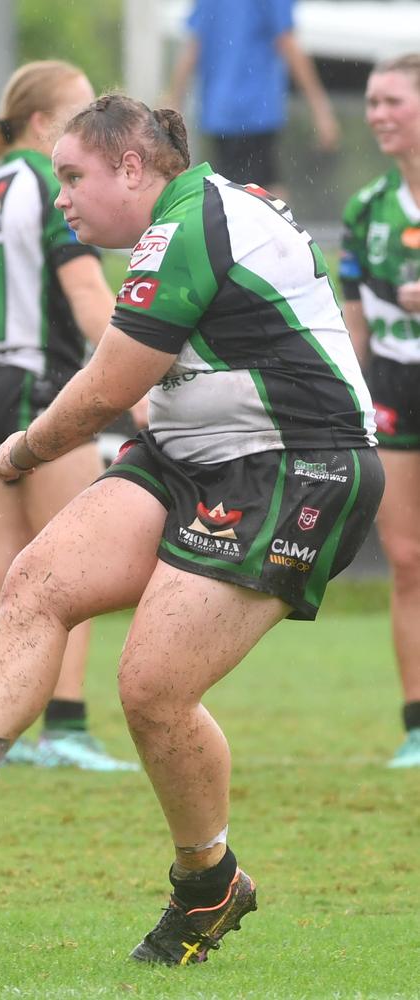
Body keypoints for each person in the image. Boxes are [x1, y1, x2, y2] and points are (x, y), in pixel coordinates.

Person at [0, 95, 383, 967]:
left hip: (294, 465)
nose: (62, 199)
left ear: (134, 167)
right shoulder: (191, 216)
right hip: (191, 451)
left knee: (151, 687)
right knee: (38, 580)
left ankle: (208, 887)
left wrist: (23, 446)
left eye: (74, 176)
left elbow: (103, 385)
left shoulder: (188, 222)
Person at [0, 60, 138, 772]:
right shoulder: (53, 186)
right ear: (41, 124)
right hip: (41, 382)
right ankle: (64, 729)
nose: (95, 126)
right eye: (82, 112)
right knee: (72, 566)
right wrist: (143, 372)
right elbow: (87, 293)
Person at [339, 53, 420, 769]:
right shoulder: (367, 209)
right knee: (405, 559)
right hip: (396, 385)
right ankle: (418, 725)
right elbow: (354, 325)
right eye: (370, 102)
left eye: (393, 100)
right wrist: (347, 396)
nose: (378, 115)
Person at [166, 0, 340, 194]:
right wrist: (320, 108)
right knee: (267, 194)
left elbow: (193, 46)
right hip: (256, 110)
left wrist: (173, 102)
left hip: (218, 112)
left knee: (228, 195)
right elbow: (287, 42)